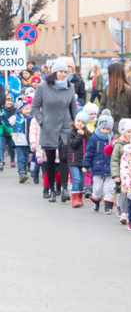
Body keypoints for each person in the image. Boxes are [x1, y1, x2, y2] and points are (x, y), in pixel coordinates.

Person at [31, 59, 77, 204]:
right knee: (49, 160)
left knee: (64, 158)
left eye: (65, 71)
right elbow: (35, 107)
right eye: (60, 72)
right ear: (54, 73)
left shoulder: (70, 87)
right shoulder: (42, 87)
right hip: (49, 127)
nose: (63, 74)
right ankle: (51, 190)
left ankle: (63, 188)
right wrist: (42, 122)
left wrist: (75, 125)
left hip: (65, 127)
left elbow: (73, 108)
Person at [83, 112, 114, 213]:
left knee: (109, 188)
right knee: (97, 189)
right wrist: (86, 165)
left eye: (108, 129)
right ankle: (96, 200)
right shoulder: (94, 138)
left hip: (110, 167)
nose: (105, 131)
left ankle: (108, 206)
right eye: (103, 128)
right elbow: (89, 153)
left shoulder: (113, 139)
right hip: (97, 167)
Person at [111, 118, 131, 220]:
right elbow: (114, 160)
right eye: (128, 131)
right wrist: (116, 174)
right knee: (123, 192)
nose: (130, 134)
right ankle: (123, 212)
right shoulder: (119, 145)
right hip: (124, 173)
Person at [101, 63, 131, 133]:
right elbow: (102, 109)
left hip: (125, 132)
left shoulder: (129, 91)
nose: (107, 76)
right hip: (108, 131)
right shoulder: (107, 90)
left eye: (109, 73)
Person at [67, 111, 91, 208]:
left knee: (81, 180)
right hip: (73, 161)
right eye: (78, 121)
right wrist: (79, 135)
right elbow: (73, 144)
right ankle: (75, 199)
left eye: (82, 122)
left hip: (83, 161)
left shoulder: (87, 134)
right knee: (76, 179)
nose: (79, 124)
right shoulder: (71, 132)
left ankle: (79, 197)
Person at [11, 99, 33, 183]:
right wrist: (11, 132)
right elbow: (8, 124)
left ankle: (24, 170)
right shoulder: (15, 117)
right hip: (19, 141)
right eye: (26, 109)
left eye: (29, 108)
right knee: (21, 157)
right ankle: (21, 173)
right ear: (20, 110)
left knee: (26, 157)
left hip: (28, 141)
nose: (28, 110)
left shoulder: (31, 118)